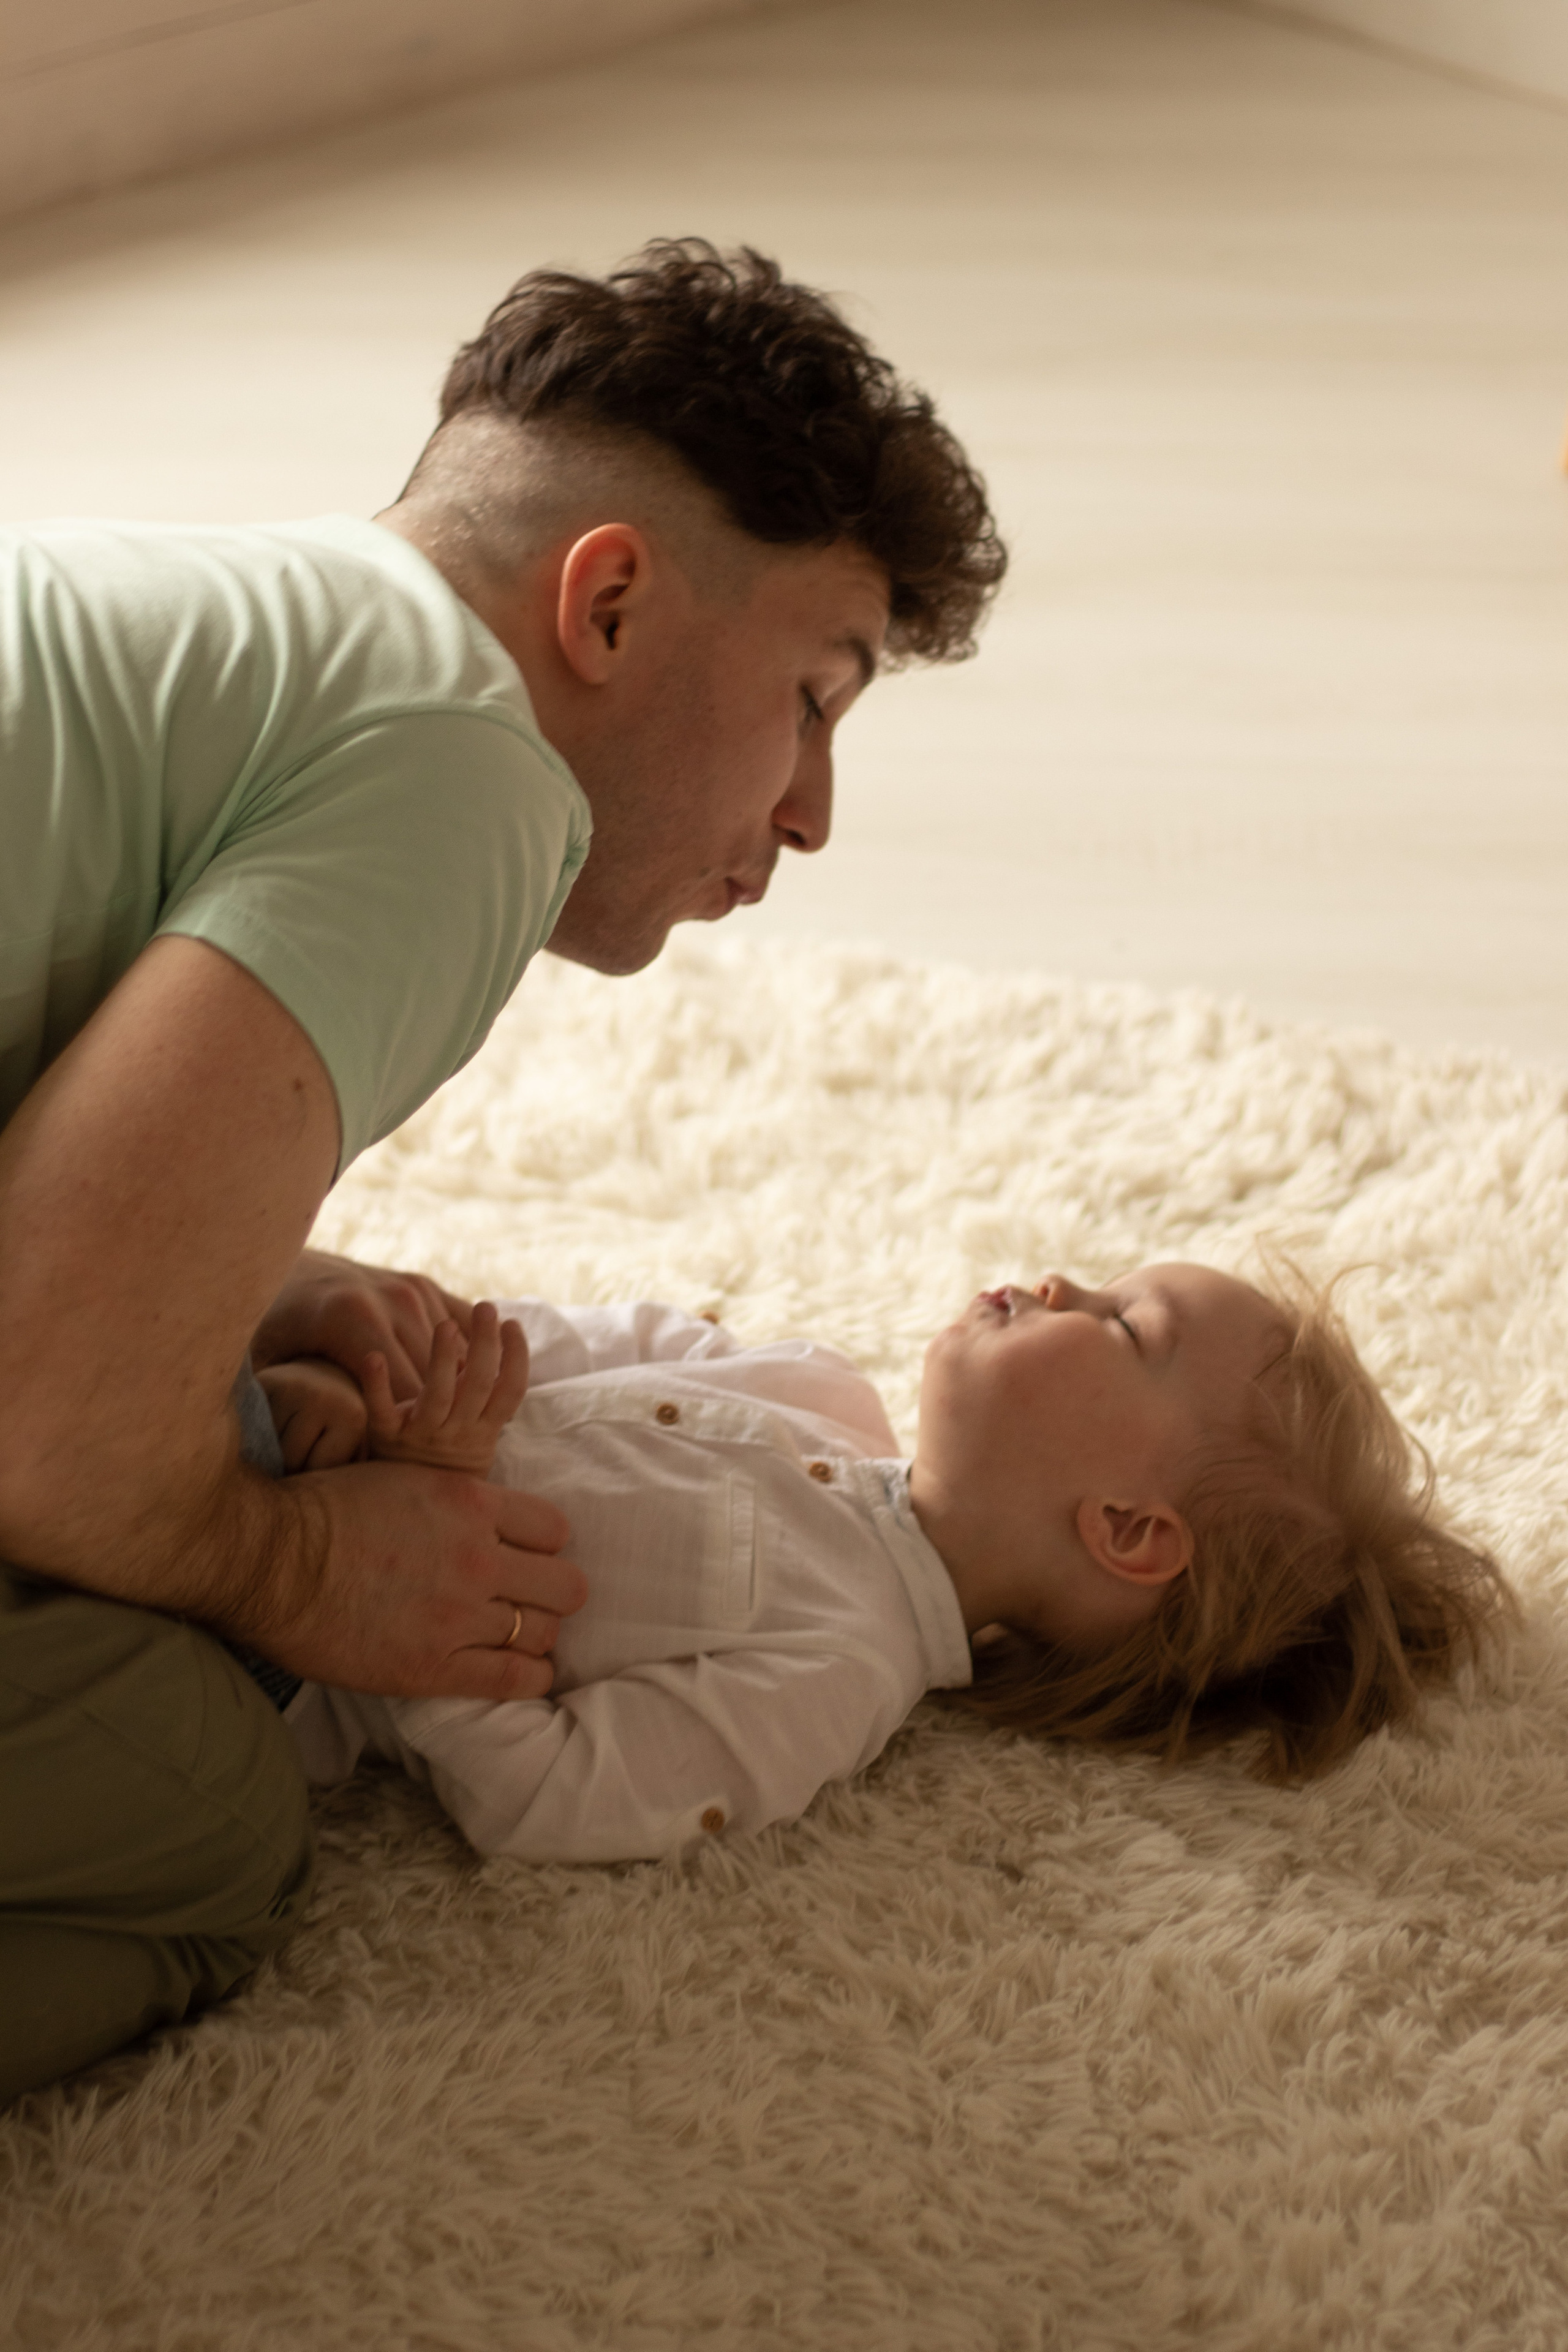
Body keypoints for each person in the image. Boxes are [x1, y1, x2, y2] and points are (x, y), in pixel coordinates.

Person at [0, 238, 1008, 2097]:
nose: (812, 813)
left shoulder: (232, 625)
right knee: (200, 1803)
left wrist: (268, 1288)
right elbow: (52, 1429)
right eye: (814, 695)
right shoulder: (467, 771)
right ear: (608, 605)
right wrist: (300, 1568)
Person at [257, 1267, 1513, 1864]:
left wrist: (426, 1501)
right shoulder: (811, 1391)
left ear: (1126, 1529)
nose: (1067, 1278)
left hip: (268, 1670)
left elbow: (546, 1800)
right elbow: (551, 1348)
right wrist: (372, 1363)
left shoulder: (835, 1671)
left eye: (1126, 1325)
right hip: (297, 1424)